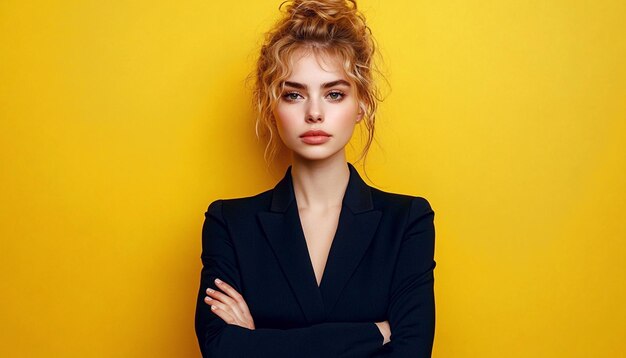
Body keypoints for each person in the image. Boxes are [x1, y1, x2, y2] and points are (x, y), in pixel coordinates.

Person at [194, 0, 436, 357]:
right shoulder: (230, 224)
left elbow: (411, 351)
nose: (315, 113)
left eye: (334, 94)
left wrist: (259, 341)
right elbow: (221, 349)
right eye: (294, 95)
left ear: (362, 105)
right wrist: (374, 334)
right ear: (270, 105)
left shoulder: (407, 221)